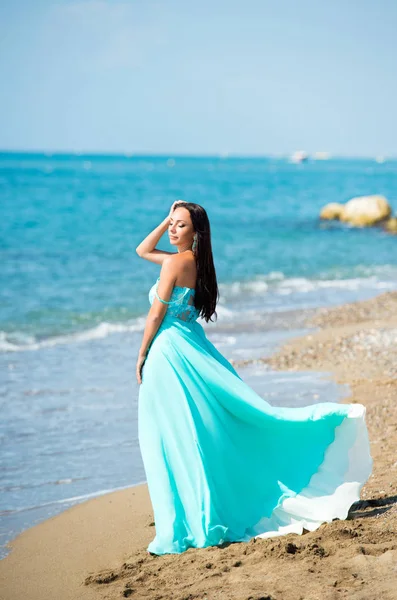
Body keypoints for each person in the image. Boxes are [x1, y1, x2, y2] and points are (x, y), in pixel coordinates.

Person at [135, 200, 373, 556]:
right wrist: (168, 216)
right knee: (197, 429)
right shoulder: (196, 263)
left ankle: (190, 515)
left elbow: (156, 315)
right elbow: (143, 250)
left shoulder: (174, 262)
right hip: (187, 347)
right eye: (171, 224)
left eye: (180, 225)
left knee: (174, 435)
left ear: (196, 233)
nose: (172, 230)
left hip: (169, 352)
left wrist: (141, 354)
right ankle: (198, 507)